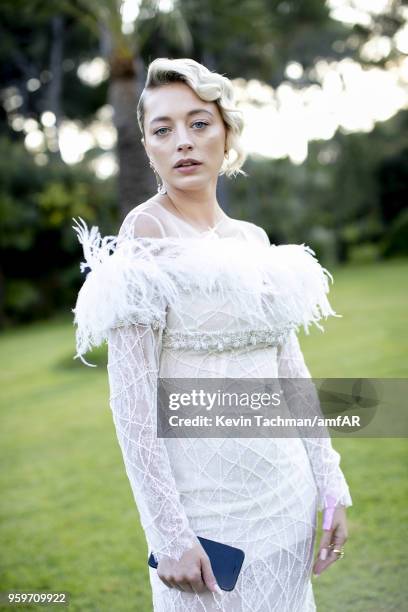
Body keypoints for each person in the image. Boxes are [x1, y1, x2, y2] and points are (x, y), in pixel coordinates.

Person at [72, 57, 352, 612]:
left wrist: (330, 484)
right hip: (207, 518)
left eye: (199, 123)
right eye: (163, 129)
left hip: (286, 500)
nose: (183, 142)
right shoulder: (145, 232)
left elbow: (290, 372)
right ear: (148, 147)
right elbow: (132, 405)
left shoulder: (253, 239)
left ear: (227, 133)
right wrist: (169, 536)